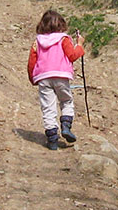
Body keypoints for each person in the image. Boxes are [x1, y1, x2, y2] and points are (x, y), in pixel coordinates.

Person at [26, 9, 86, 150]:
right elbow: (72, 55)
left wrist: (33, 78)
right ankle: (66, 125)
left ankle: (52, 138)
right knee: (66, 100)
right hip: (61, 75)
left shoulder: (37, 42)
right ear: (61, 25)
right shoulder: (63, 39)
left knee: (48, 107)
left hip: (43, 77)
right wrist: (80, 45)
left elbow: (31, 62)